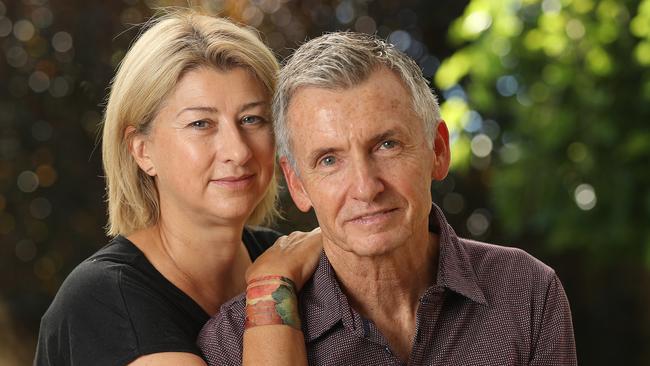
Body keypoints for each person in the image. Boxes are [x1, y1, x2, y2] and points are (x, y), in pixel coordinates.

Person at [199, 32, 577, 365]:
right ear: (297, 184)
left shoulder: (526, 292)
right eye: (329, 160)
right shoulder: (233, 345)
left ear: (438, 151)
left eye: (386, 145)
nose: (366, 187)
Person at [34, 10, 320, 366]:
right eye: (201, 123)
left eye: (252, 119)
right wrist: (269, 285)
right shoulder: (103, 300)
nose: (238, 150)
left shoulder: (286, 254)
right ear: (142, 150)